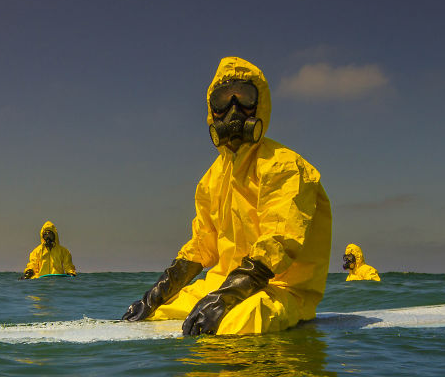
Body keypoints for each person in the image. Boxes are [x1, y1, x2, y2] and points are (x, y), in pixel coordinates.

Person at [122, 56, 332, 335]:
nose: (235, 110)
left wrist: (225, 298)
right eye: (224, 100)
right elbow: (202, 244)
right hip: (222, 284)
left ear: (260, 105)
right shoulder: (212, 178)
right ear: (212, 110)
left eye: (244, 98)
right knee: (155, 317)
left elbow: (279, 240)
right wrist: (155, 296)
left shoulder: (284, 166)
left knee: (232, 325)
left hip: (279, 289)